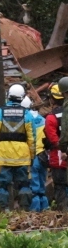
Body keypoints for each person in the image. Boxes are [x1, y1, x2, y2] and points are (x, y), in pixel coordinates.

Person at [0, 84, 36, 210]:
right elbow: (32, 138)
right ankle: (25, 210)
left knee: (2, 185)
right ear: (22, 98)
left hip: (2, 155)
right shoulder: (27, 115)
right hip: (22, 155)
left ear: (8, 96)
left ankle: (3, 210)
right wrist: (32, 156)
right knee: (24, 184)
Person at [22, 96, 49, 211]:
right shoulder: (42, 119)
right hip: (43, 156)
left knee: (33, 187)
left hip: (31, 157)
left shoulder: (25, 119)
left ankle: (35, 212)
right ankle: (46, 211)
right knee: (42, 186)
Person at [45, 83, 67, 211]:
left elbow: (53, 138)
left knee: (59, 186)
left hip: (58, 157)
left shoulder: (51, 118)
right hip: (63, 154)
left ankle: (64, 213)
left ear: (52, 99)